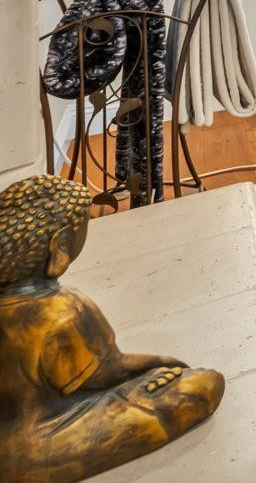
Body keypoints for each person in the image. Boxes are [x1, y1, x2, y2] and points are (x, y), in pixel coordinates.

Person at [0, 175, 224, 481]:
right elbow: (109, 374)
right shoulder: (62, 310)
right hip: (40, 443)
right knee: (199, 385)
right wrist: (160, 362)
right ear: (59, 247)